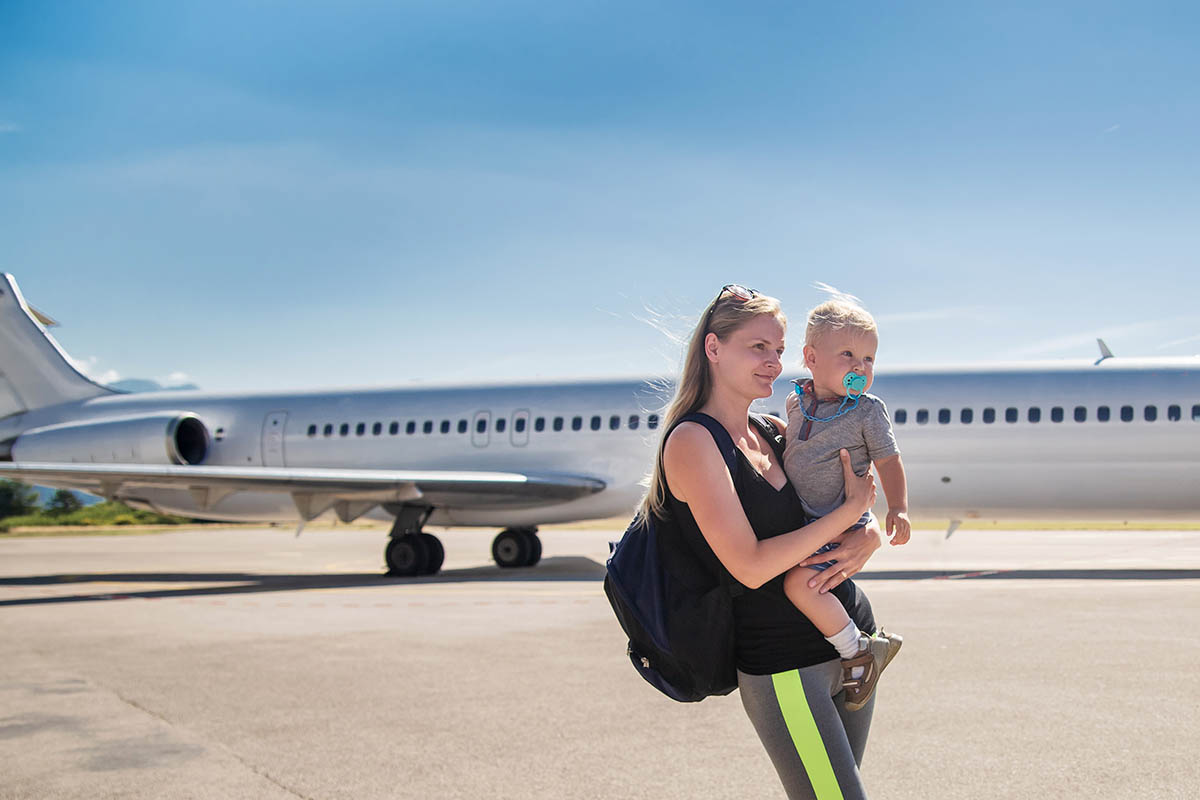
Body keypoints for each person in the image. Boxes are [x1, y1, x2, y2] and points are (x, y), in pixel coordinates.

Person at [641, 284, 890, 799]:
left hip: (853, 647)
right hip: (785, 665)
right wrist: (846, 514)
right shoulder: (693, 441)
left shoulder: (775, 431)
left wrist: (866, 533)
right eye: (758, 347)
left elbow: (846, 499)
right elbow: (751, 567)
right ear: (714, 348)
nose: (774, 362)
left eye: (778, 350)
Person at [780, 295, 909, 711]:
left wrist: (899, 507)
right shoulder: (794, 403)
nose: (860, 366)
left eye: (869, 359)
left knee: (801, 585)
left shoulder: (868, 411)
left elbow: (889, 459)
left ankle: (858, 651)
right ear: (811, 358)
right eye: (849, 354)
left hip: (839, 525)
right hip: (807, 523)